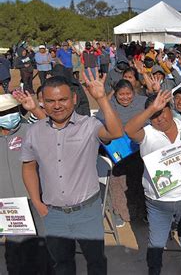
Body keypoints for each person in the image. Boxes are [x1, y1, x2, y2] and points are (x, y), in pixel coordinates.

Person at [21, 70, 123, 274]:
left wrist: (102, 98)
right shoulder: (34, 131)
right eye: (50, 101)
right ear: (42, 102)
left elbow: (116, 132)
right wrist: (37, 202)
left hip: (87, 212)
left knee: (96, 262)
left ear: (74, 99)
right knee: (62, 264)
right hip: (53, 214)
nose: (57, 105)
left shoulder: (89, 125)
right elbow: (28, 167)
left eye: (62, 99)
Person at [124, 90, 181, 275]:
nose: (159, 118)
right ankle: (154, 270)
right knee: (157, 243)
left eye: (162, 112)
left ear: (170, 109)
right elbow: (128, 130)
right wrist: (153, 107)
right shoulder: (147, 134)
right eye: (153, 116)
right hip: (158, 202)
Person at [1, 92, 51, 275]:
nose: (9, 116)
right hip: (9, 208)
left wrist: (35, 109)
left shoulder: (30, 130)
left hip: (37, 200)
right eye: (3, 113)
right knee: (16, 255)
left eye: (13, 110)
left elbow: (53, 130)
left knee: (46, 250)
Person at [96, 79, 148, 224]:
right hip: (116, 153)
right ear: (115, 95)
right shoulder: (109, 105)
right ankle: (119, 212)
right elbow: (99, 123)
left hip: (140, 150)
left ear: (134, 92)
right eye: (121, 94)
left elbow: (152, 119)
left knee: (141, 182)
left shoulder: (142, 102)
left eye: (128, 94)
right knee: (117, 183)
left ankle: (143, 213)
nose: (125, 97)